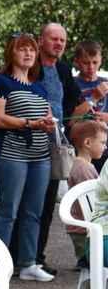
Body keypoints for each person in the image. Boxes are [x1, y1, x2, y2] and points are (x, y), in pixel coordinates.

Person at [13, 23, 97, 275]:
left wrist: (92, 112)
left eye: (62, 40)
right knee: (21, 203)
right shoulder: (29, 65)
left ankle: (35, 257)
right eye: (53, 39)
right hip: (25, 143)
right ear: (41, 41)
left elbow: (73, 106)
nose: (58, 44)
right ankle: (12, 256)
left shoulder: (62, 70)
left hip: (54, 146)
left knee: (46, 204)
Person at [0, 32, 56, 282]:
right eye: (22, 49)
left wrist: (47, 124)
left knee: (33, 211)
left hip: (40, 156)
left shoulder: (39, 86)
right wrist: (31, 123)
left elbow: (47, 116)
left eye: (32, 50)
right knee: (7, 209)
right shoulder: (0, 83)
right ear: (11, 53)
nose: (28, 53)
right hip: (10, 154)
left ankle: (28, 264)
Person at [66, 120, 108, 289]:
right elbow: (90, 205)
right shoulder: (83, 169)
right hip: (84, 229)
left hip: (86, 228)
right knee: (94, 269)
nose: (105, 147)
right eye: (103, 142)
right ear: (88, 143)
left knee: (94, 269)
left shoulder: (86, 167)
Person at [73, 39, 108, 171]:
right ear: (76, 61)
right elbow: (70, 120)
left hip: (104, 151)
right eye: (86, 63)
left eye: (95, 62)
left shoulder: (106, 83)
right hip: (81, 153)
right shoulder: (72, 85)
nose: (91, 67)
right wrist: (94, 98)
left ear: (101, 60)